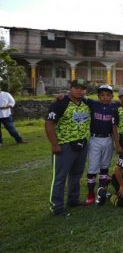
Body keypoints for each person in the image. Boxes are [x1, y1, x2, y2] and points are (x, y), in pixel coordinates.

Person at [45, 79, 91, 216]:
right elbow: (49, 124)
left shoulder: (86, 103)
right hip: (65, 146)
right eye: (76, 87)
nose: (80, 90)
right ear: (71, 88)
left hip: (82, 144)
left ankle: (73, 199)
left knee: (76, 174)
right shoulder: (61, 103)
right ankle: (57, 206)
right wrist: (54, 144)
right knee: (60, 177)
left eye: (83, 88)